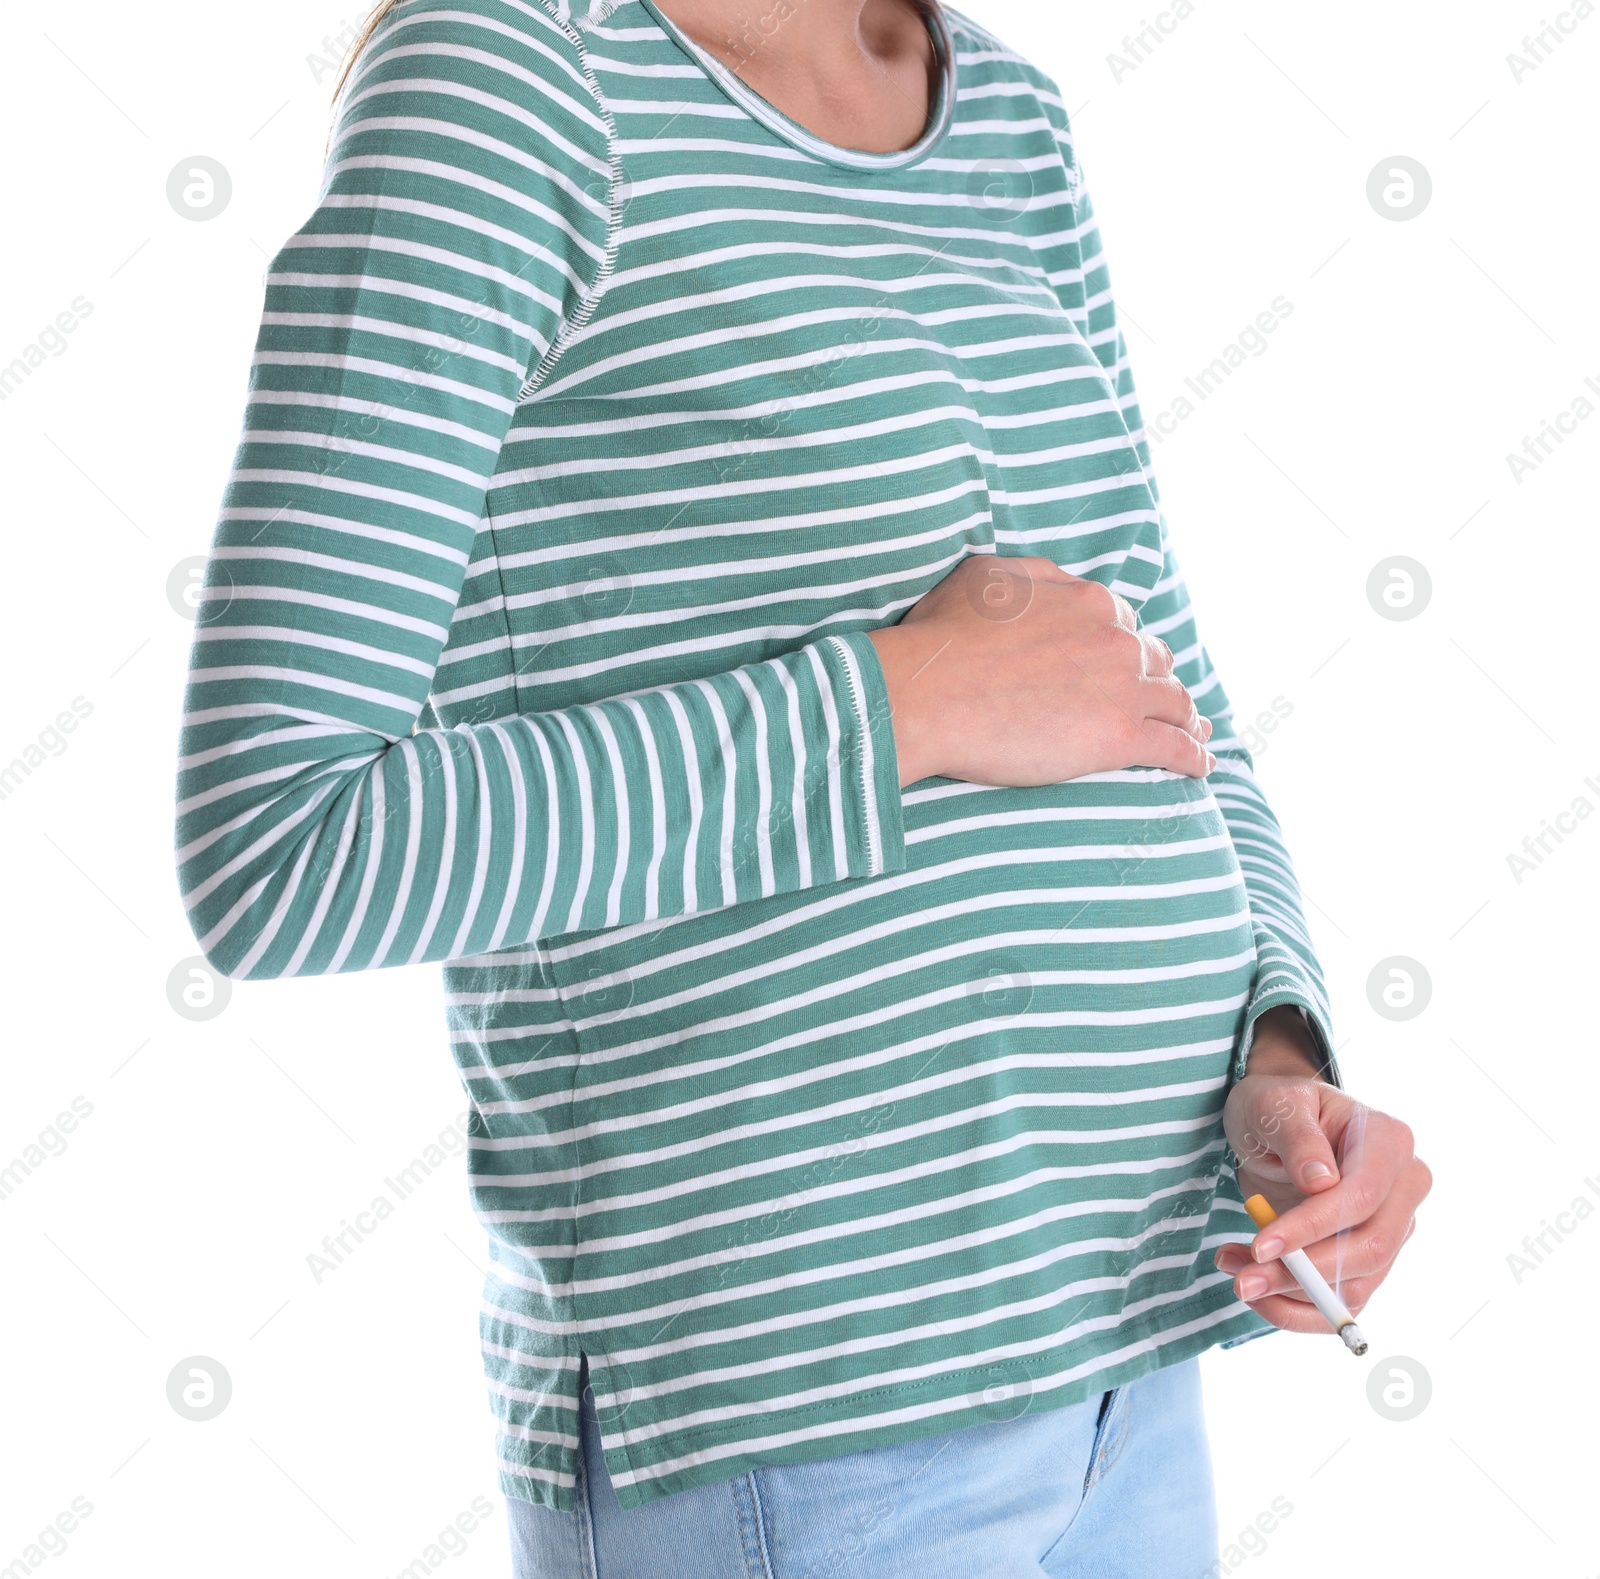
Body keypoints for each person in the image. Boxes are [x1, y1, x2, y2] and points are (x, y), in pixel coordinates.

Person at [174, 0, 1431, 1572]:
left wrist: (1280, 1045)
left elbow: (1158, 692)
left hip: (1130, 1357)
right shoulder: (509, 81)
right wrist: (893, 707)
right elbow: (280, 844)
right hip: (808, 1422)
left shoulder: (1008, 116)